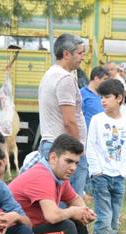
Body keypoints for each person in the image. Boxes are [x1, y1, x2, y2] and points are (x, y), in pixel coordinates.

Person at [9, 134, 97, 234]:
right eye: (68, 161)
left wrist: (85, 211)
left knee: (76, 223)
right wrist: (74, 212)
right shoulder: (41, 176)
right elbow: (52, 216)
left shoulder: (59, 176)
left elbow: (75, 199)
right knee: (64, 228)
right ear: (53, 158)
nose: (73, 167)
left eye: (76, 163)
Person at [86, 79, 126, 234]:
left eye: (107, 97)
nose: (103, 101)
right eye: (102, 97)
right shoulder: (97, 120)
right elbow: (90, 146)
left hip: (119, 177)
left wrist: (122, 171)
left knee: (114, 220)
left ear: (119, 98)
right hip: (101, 177)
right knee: (104, 218)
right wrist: (96, 171)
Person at [38, 33, 88, 195]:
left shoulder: (50, 74)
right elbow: (69, 121)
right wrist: (77, 151)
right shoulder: (64, 78)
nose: (82, 58)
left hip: (52, 144)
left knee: (54, 199)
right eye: (80, 53)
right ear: (67, 54)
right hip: (65, 150)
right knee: (70, 202)